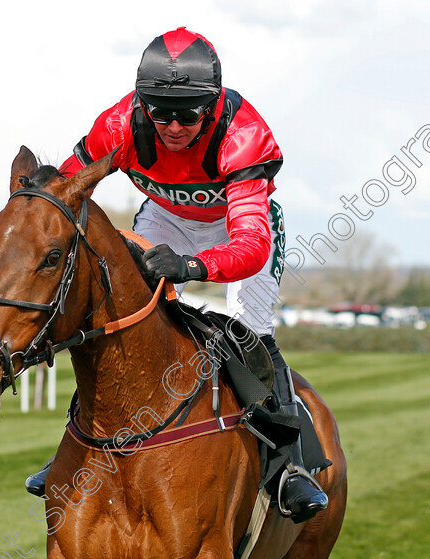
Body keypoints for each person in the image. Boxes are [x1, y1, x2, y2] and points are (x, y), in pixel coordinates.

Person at [25, 27, 328, 521]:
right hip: (166, 218)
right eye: (159, 111)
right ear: (141, 103)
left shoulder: (245, 134)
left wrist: (191, 267)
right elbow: (68, 191)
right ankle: (75, 449)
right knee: (125, 322)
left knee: (253, 331)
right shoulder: (119, 124)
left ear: (212, 105)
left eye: (188, 114)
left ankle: (288, 467)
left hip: (237, 224)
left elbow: (249, 246)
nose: (172, 126)